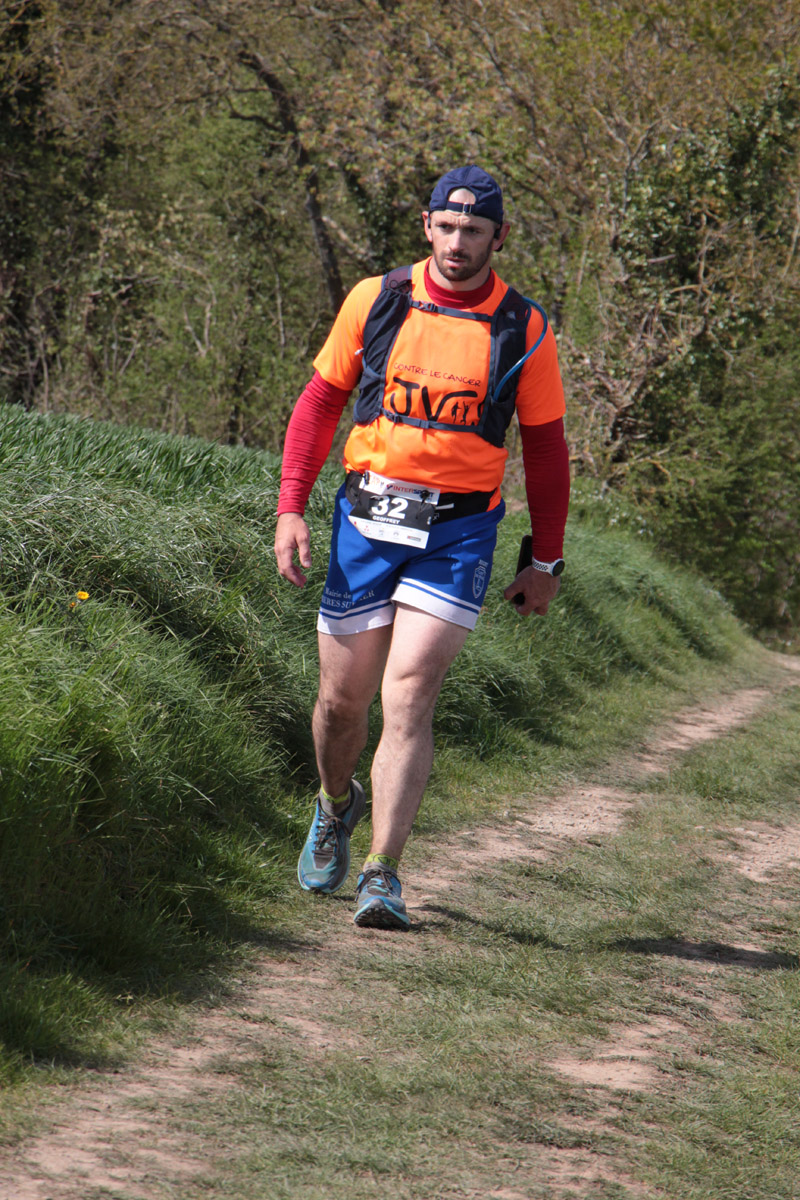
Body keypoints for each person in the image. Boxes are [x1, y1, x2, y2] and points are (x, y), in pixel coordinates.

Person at [274, 165, 570, 931]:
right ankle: (334, 804)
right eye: (448, 226)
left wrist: (545, 560)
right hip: (365, 522)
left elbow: (546, 450)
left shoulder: (524, 329)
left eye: (475, 231)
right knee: (341, 703)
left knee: (408, 693)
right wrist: (290, 508)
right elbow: (319, 404)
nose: (458, 242)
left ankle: (382, 872)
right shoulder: (377, 300)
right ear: (427, 226)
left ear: (499, 238)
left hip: (459, 531)